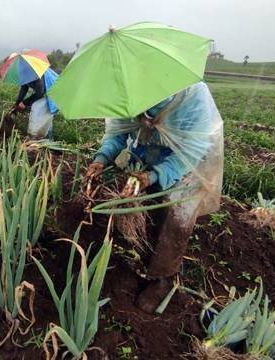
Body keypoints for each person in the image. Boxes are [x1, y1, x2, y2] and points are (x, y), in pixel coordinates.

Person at [84, 81, 224, 313]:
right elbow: (117, 134)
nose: (145, 120)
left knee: (175, 215)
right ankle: (139, 253)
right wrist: (101, 158)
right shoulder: (124, 91)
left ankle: (163, 277)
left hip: (187, 162)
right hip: (147, 153)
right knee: (142, 205)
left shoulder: (192, 96)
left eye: (150, 112)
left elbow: (193, 149)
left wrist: (155, 175)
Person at [13, 68, 59, 139]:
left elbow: (40, 93)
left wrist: (25, 103)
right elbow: (24, 88)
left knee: (38, 110)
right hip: (45, 92)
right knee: (45, 118)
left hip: (53, 93)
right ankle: (44, 139)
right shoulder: (25, 73)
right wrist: (17, 103)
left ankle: (36, 137)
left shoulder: (38, 74)